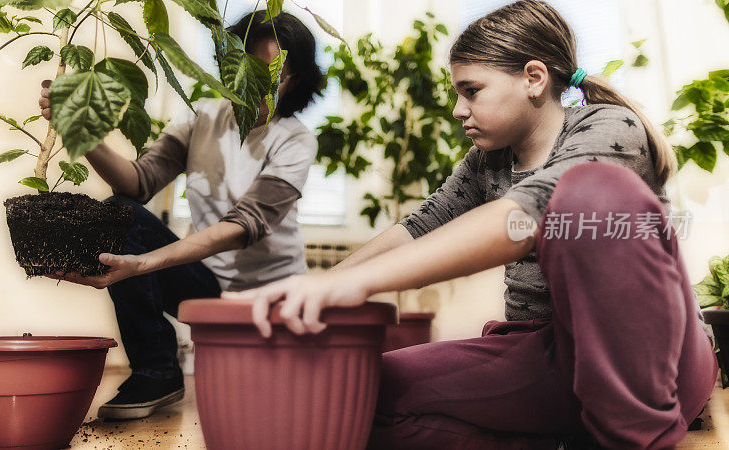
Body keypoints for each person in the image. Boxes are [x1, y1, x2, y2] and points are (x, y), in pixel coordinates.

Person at [222, 1, 718, 448]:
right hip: (545, 353)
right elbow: (422, 226)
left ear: (533, 78)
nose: (459, 109)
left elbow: (524, 217)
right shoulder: (487, 161)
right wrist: (319, 285)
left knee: (590, 194)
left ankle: (635, 437)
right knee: (352, 395)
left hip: (660, 361)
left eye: (471, 90)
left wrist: (352, 284)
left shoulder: (609, 127)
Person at [42, 11, 324, 420]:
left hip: (271, 297)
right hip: (206, 284)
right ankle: (157, 370)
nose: (257, 84)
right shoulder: (203, 117)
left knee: (274, 401)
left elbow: (241, 227)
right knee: (120, 215)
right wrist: (79, 130)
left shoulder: (295, 139)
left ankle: (180, 361)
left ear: (295, 80)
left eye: (274, 73)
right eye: (245, 67)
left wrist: (145, 263)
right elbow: (138, 184)